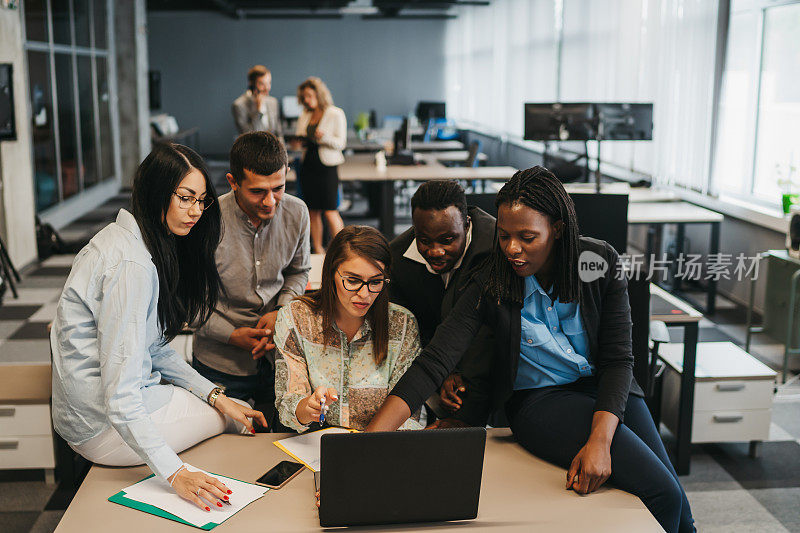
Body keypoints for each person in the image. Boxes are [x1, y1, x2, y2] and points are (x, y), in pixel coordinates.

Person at [366, 167, 695, 533]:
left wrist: (600, 441)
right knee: (663, 493)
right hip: (542, 400)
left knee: (679, 505)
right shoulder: (492, 279)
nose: (511, 249)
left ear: (556, 228)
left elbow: (619, 360)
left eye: (527, 237)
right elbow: (434, 363)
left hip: (606, 388)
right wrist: (366, 449)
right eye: (504, 236)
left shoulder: (598, 263)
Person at [51, 143, 267, 511]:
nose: (196, 211)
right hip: (103, 427)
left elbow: (153, 348)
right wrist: (175, 473)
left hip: (87, 417)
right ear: (155, 192)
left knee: (226, 407)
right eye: (185, 198)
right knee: (240, 416)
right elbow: (121, 398)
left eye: (202, 201)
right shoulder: (132, 266)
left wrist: (214, 395)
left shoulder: (121, 239)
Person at [192, 131, 310, 429]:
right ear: (233, 182)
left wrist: (281, 312)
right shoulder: (205, 220)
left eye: (279, 188)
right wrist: (232, 335)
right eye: (258, 191)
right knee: (222, 455)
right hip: (219, 363)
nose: (271, 201)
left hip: (279, 358)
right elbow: (188, 300)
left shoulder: (298, 213)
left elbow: (298, 272)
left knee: (281, 445)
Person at [274, 225, 422, 432]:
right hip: (315, 445)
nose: (364, 294)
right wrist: (307, 408)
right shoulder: (296, 317)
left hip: (382, 447)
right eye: (352, 280)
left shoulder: (402, 324)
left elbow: (409, 411)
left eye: (376, 282)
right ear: (331, 273)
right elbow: (287, 403)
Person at [389, 180, 496, 418]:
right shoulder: (397, 261)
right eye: (424, 240)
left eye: (448, 239)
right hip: (430, 368)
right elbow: (411, 330)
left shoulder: (496, 248)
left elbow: (492, 331)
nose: (435, 251)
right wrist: (443, 376)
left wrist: (459, 373)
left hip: (490, 370)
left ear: (467, 225)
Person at [294, 76, 345, 254]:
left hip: (327, 167)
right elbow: (300, 135)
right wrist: (298, 141)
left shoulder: (335, 113)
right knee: (312, 211)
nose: (306, 100)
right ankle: (318, 248)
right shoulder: (305, 114)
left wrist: (324, 137)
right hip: (308, 165)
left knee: (331, 210)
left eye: (309, 95)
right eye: (304, 97)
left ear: (319, 94)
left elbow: (341, 143)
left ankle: (341, 250)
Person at [232, 65, 283, 137]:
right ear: (251, 83)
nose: (267, 88)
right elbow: (247, 135)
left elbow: (279, 134)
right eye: (262, 84)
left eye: (269, 83)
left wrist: (283, 148)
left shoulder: (273, 102)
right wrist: (258, 111)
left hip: (273, 147)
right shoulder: (239, 105)